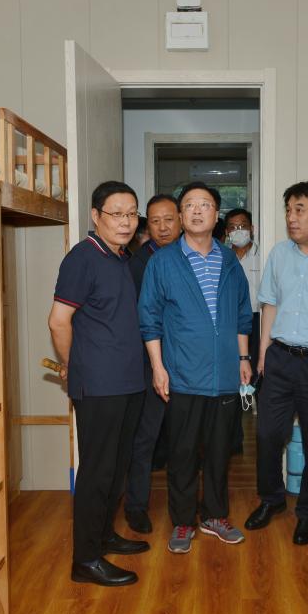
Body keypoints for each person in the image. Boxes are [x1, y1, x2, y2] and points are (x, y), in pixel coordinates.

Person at [139, 181, 253, 555]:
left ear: (216, 214)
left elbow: (242, 315)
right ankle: (184, 520)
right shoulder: (163, 262)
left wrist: (243, 359)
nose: (197, 210)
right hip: (183, 375)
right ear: (181, 215)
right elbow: (149, 318)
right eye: (189, 205)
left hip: (225, 377)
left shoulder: (230, 261)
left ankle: (215, 516)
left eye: (205, 204)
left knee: (220, 452)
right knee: (183, 453)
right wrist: (158, 368)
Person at [48, 180, 150, 587]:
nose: (126, 222)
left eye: (132, 214)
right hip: (100, 385)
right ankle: (85, 559)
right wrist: (73, 364)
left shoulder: (122, 258)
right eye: (116, 214)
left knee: (118, 467)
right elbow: (58, 321)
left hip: (128, 381)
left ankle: (104, 535)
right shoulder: (82, 258)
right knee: (97, 471)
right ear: (96, 216)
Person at [245, 180, 308, 546]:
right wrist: (263, 353)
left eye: (299, 210)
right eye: (288, 210)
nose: (291, 217)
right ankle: (271, 499)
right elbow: (270, 304)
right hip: (280, 358)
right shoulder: (279, 254)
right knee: (268, 433)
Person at [123, 194, 182, 533]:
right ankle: (136, 506)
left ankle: (185, 507)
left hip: (187, 363)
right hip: (150, 365)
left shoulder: (192, 256)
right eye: (155, 221)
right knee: (144, 438)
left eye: (168, 220)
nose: (162, 227)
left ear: (180, 220)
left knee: (187, 439)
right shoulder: (137, 263)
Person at [223, 207, 261, 454]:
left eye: (243, 226)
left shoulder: (262, 255)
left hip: (258, 321)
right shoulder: (223, 258)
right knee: (233, 378)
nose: (239, 231)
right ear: (227, 232)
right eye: (233, 227)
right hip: (231, 324)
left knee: (258, 374)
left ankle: (263, 437)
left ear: (252, 229)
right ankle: (233, 438)